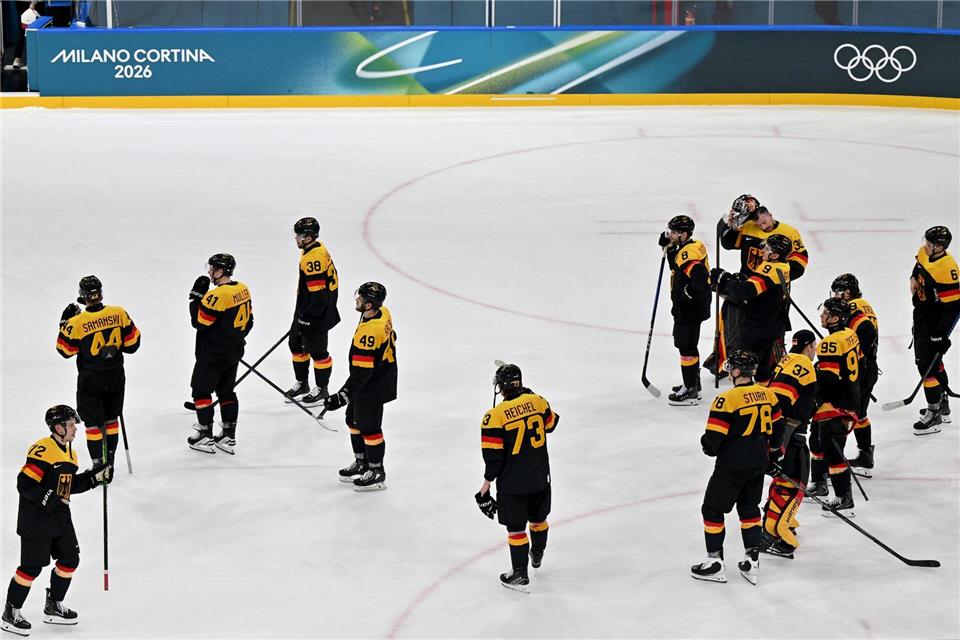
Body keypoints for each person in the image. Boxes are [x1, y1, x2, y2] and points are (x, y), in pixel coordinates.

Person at [1, 405, 111, 636]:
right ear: (58, 427)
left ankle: (53, 605)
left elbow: (67, 486)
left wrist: (94, 477)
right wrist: (50, 500)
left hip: (60, 519)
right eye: (71, 425)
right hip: (36, 521)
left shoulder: (70, 453)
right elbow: (25, 484)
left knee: (70, 559)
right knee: (31, 568)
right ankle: (11, 612)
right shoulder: (43, 449)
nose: (75, 429)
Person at [692, 350, 783, 586]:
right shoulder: (769, 395)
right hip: (757, 464)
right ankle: (752, 561)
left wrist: (706, 445)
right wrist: (772, 456)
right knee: (749, 508)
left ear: (735, 371)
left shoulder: (727, 400)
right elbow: (777, 433)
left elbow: (713, 442)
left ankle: (714, 563)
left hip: (731, 466)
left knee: (712, 510)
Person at [475, 363, 558, 593]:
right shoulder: (538, 401)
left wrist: (485, 487)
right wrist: (530, 398)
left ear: (500, 387)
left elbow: (494, 459)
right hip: (541, 477)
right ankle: (538, 553)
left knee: (516, 529)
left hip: (513, 484)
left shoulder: (495, 416)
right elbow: (551, 424)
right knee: (539, 519)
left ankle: (520, 573)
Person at [708, 197, 809, 375]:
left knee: (771, 330)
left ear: (770, 215)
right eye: (758, 223)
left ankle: (772, 364)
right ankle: (728, 359)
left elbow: (800, 263)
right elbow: (727, 243)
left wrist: (776, 276)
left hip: (771, 289)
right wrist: (731, 225)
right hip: (747, 287)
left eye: (764, 221)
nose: (763, 226)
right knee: (735, 324)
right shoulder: (749, 227)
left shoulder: (789, 233)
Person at [56, 275, 141, 468]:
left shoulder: (77, 322)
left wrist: (65, 323)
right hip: (115, 376)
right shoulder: (118, 313)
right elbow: (132, 344)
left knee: (93, 424)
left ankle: (98, 465)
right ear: (101, 293)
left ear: (82, 296)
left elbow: (64, 350)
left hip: (91, 380)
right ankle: (109, 460)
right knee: (111, 419)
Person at [323, 282, 397, 491]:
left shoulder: (370, 332)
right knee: (353, 420)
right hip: (374, 378)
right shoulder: (381, 313)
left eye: (362, 299)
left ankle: (376, 471)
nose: (357, 300)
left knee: (370, 428)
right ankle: (362, 462)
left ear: (370, 304)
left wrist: (343, 395)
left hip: (374, 384)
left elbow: (362, 373)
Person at [186, 254, 253, 454]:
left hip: (212, 355)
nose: (209, 272)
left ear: (222, 271)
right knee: (227, 392)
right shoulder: (243, 289)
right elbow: (249, 321)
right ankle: (228, 437)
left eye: (213, 269)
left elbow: (199, 321)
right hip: (233, 353)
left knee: (201, 392)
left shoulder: (217, 296)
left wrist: (195, 298)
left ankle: (205, 436)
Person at [762, 330, 817, 559]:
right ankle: (773, 534)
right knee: (795, 483)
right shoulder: (803, 363)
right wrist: (778, 443)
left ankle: (771, 525)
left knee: (783, 480)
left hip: (781, 433)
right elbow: (781, 401)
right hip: (789, 434)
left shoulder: (786, 359)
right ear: (810, 346)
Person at [709, 234, 792, 383]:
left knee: (741, 367)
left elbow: (742, 292)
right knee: (763, 370)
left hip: (758, 328)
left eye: (767, 249)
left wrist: (726, 280)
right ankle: (764, 396)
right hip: (773, 325)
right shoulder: (784, 266)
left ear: (775, 255)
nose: (763, 251)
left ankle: (745, 398)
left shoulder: (770, 269)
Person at [806, 298, 860, 517]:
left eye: (826, 313)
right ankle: (819, 483)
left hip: (835, 404)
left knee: (832, 450)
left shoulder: (831, 343)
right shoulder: (849, 334)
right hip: (846, 400)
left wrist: (812, 388)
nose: (821, 316)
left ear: (836, 318)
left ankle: (844, 498)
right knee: (817, 442)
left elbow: (828, 379)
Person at [284, 217, 341, 407]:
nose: (296, 239)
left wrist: (308, 319)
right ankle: (302, 384)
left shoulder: (313, 258)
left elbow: (319, 297)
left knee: (317, 352)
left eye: (299, 236)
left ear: (308, 238)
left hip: (317, 312)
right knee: (296, 344)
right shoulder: (314, 248)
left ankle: (322, 389)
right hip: (306, 308)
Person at [658, 215, 711, 406]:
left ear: (684, 234)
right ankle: (693, 383)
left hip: (690, 308)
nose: (670, 234)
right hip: (693, 306)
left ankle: (690, 391)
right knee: (689, 344)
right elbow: (677, 266)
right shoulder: (689, 246)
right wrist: (670, 246)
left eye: (674, 232)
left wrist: (688, 293)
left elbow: (699, 275)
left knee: (686, 347)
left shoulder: (689, 252)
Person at [910, 226, 959, 435]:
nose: (925, 246)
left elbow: (954, 308)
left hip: (934, 322)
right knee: (933, 363)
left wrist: (941, 335)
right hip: (921, 315)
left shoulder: (947, 269)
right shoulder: (924, 252)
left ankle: (934, 413)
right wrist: (913, 278)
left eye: (930, 244)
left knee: (926, 366)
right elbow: (917, 267)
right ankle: (941, 399)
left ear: (939, 247)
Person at [830, 274, 879, 475]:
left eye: (837, 292)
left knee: (844, 413)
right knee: (860, 413)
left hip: (858, 370)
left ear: (847, 292)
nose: (835, 296)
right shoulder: (864, 304)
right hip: (868, 367)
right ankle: (865, 455)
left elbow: (865, 334)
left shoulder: (853, 309)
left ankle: (835, 463)